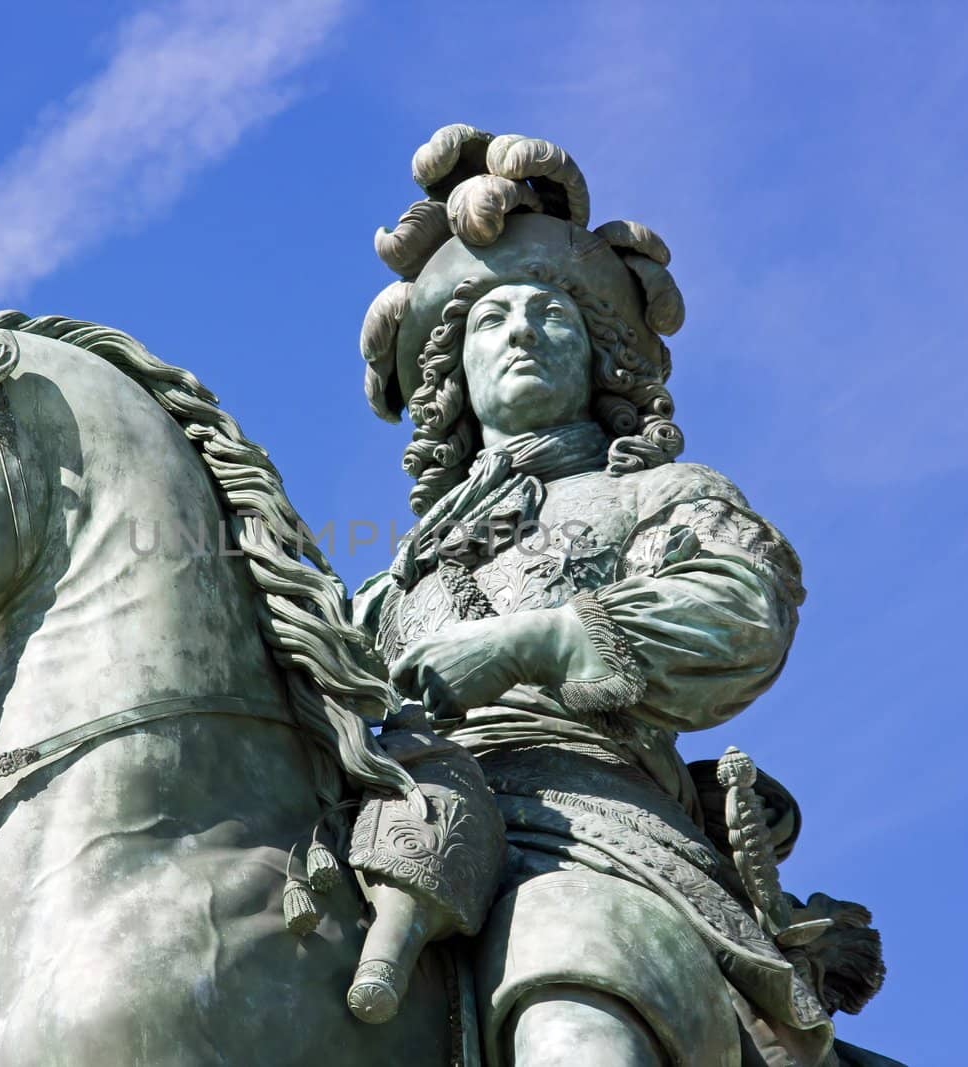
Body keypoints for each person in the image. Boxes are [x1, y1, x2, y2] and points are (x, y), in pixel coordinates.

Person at [352, 126, 846, 1067]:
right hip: (393, 834)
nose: (522, 333)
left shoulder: (657, 495)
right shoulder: (383, 590)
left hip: (588, 830)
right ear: (453, 380)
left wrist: (529, 643)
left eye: (552, 317)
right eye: (492, 322)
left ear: (600, 355)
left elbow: (740, 608)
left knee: (565, 969)